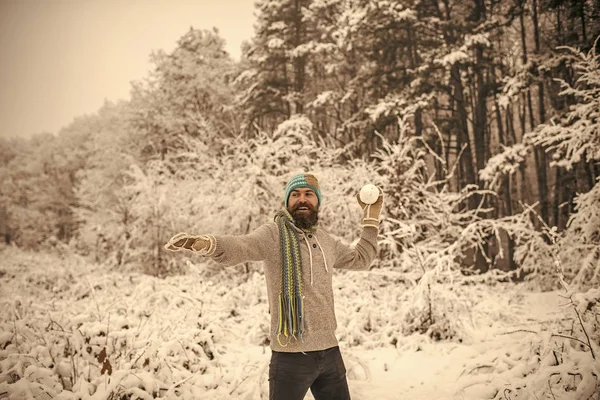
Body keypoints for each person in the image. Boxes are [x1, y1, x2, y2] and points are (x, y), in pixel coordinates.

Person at [165, 173, 383, 400]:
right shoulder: (273, 235)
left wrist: (371, 218)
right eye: (295, 195)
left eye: (309, 194)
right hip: (290, 357)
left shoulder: (326, 241)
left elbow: (361, 259)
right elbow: (242, 245)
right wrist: (210, 244)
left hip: (330, 353)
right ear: (287, 201)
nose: (302, 199)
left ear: (318, 201)